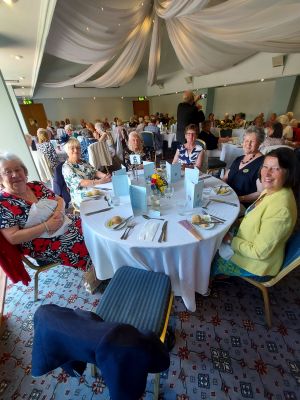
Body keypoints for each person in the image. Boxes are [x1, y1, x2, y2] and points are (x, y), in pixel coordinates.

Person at [211, 147, 298, 280]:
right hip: (246, 239)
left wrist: (229, 240)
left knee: (209, 257)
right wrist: (234, 223)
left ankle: (211, 279)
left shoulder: (281, 209)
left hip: (257, 264)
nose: (267, 173)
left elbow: (259, 252)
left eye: (275, 169)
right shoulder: (272, 190)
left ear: (289, 172)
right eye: (265, 166)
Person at [0, 153, 90, 270]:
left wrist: (58, 212)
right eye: (7, 172)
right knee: (81, 240)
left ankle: (104, 261)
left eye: (18, 169)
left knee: (90, 226)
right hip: (40, 242)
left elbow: (59, 199)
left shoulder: (36, 185)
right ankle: (95, 272)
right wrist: (47, 226)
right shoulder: (3, 203)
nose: (15, 175)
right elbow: (13, 237)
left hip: (62, 221)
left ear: (24, 172)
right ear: (1, 178)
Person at [62, 138, 111, 207]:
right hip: (82, 194)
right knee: (105, 200)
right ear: (67, 151)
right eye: (72, 148)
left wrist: (105, 176)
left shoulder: (83, 161)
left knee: (110, 193)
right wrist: (100, 181)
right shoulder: (66, 167)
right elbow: (81, 182)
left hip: (94, 187)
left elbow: (94, 171)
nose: (76, 150)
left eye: (78, 148)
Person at [223, 126, 265, 207]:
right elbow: (225, 178)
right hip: (227, 198)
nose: (248, 144)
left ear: (259, 143)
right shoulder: (239, 159)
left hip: (241, 204)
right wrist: (221, 190)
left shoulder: (262, 163)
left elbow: (260, 193)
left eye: (252, 141)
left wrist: (239, 198)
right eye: (246, 141)